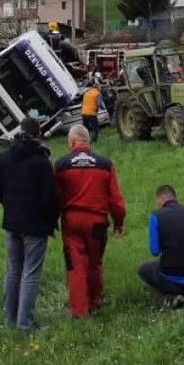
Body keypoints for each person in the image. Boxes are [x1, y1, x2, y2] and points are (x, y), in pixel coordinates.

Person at [0, 117, 59, 331]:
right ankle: (25, 324)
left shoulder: (4, 157)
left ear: (20, 131)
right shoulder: (41, 161)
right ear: (38, 134)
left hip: (11, 223)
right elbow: (49, 197)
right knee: (30, 273)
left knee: (12, 271)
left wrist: (8, 205)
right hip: (35, 225)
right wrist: (52, 219)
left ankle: (9, 319)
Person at [53, 125, 126, 317]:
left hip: (72, 221)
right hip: (97, 222)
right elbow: (116, 199)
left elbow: (53, 195)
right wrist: (119, 222)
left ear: (71, 142)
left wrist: (52, 220)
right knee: (95, 262)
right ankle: (94, 301)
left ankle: (79, 311)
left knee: (75, 265)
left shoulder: (61, 165)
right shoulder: (105, 164)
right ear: (88, 141)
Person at [137, 184, 184, 308]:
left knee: (143, 268)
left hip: (171, 279)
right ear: (175, 197)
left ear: (159, 201)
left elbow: (154, 251)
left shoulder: (156, 216)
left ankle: (172, 294)